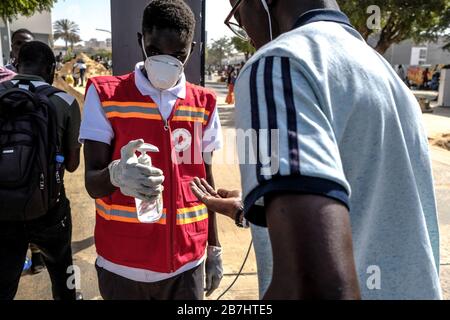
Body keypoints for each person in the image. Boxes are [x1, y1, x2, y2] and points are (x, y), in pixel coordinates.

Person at [208, 0, 442, 300]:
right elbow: (372, 207)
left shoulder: (278, 64)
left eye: (237, 14)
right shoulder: (386, 75)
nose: (247, 33)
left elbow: (311, 285)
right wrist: (254, 210)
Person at [80, 0, 223, 300]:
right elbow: (92, 183)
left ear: (192, 49)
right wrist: (116, 174)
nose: (165, 62)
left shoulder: (204, 104)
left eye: (178, 55)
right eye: (156, 51)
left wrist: (213, 247)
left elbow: (205, 183)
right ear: (140, 42)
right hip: (122, 264)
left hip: (187, 264)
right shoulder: (105, 95)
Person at [0, 41, 82, 300]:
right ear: (51, 68)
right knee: (62, 273)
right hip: (49, 209)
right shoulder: (65, 101)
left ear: (16, 65)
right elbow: (72, 164)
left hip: (2, 211)